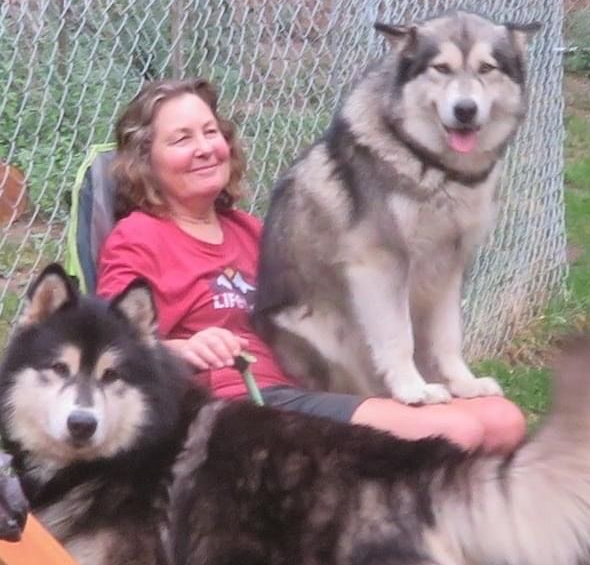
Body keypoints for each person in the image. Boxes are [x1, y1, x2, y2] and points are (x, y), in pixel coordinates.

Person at [96, 78, 527, 453]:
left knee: (502, 421)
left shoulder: (249, 229)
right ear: (145, 161)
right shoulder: (139, 238)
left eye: (211, 132)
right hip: (243, 408)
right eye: (181, 140)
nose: (205, 148)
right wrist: (184, 348)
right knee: (454, 434)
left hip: (315, 381)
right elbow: (106, 346)